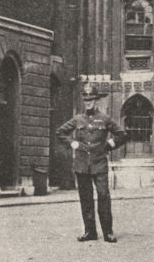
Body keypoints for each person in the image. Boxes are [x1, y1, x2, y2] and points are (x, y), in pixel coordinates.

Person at [56, 81, 127, 243]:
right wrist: (72, 143)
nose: (88, 103)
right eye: (86, 100)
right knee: (85, 198)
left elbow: (122, 135)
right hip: (82, 165)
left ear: (96, 101)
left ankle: (108, 232)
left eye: (91, 100)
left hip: (99, 164)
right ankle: (90, 232)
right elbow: (60, 132)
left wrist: (108, 146)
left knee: (103, 196)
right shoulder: (78, 119)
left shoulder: (105, 119)